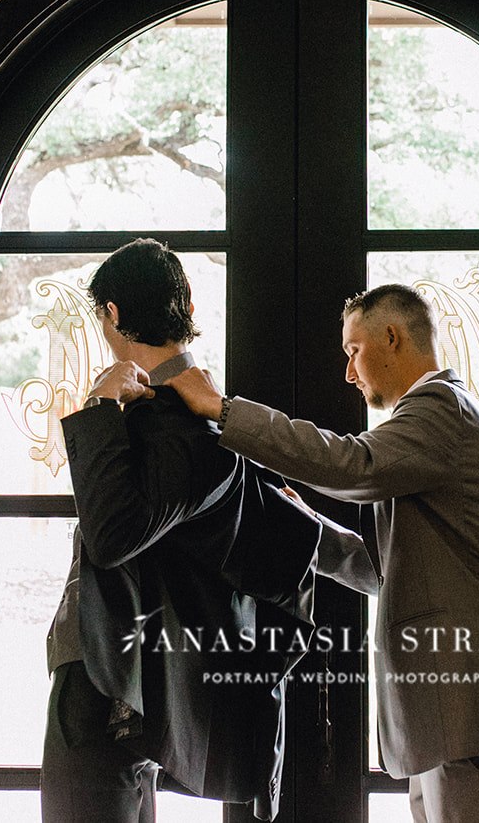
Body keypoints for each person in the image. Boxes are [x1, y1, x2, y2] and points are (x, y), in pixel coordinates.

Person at [166, 283, 479, 823]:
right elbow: (381, 570)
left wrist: (224, 410)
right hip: (452, 719)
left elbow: (355, 465)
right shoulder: (432, 424)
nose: (349, 372)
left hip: (476, 712)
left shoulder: (442, 410)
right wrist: (302, 525)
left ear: (392, 337)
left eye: (354, 350)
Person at [42, 239, 321, 822]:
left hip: (110, 688)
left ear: (113, 314)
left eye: (102, 319)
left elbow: (112, 534)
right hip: (137, 689)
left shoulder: (183, 426)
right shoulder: (193, 419)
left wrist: (98, 405)